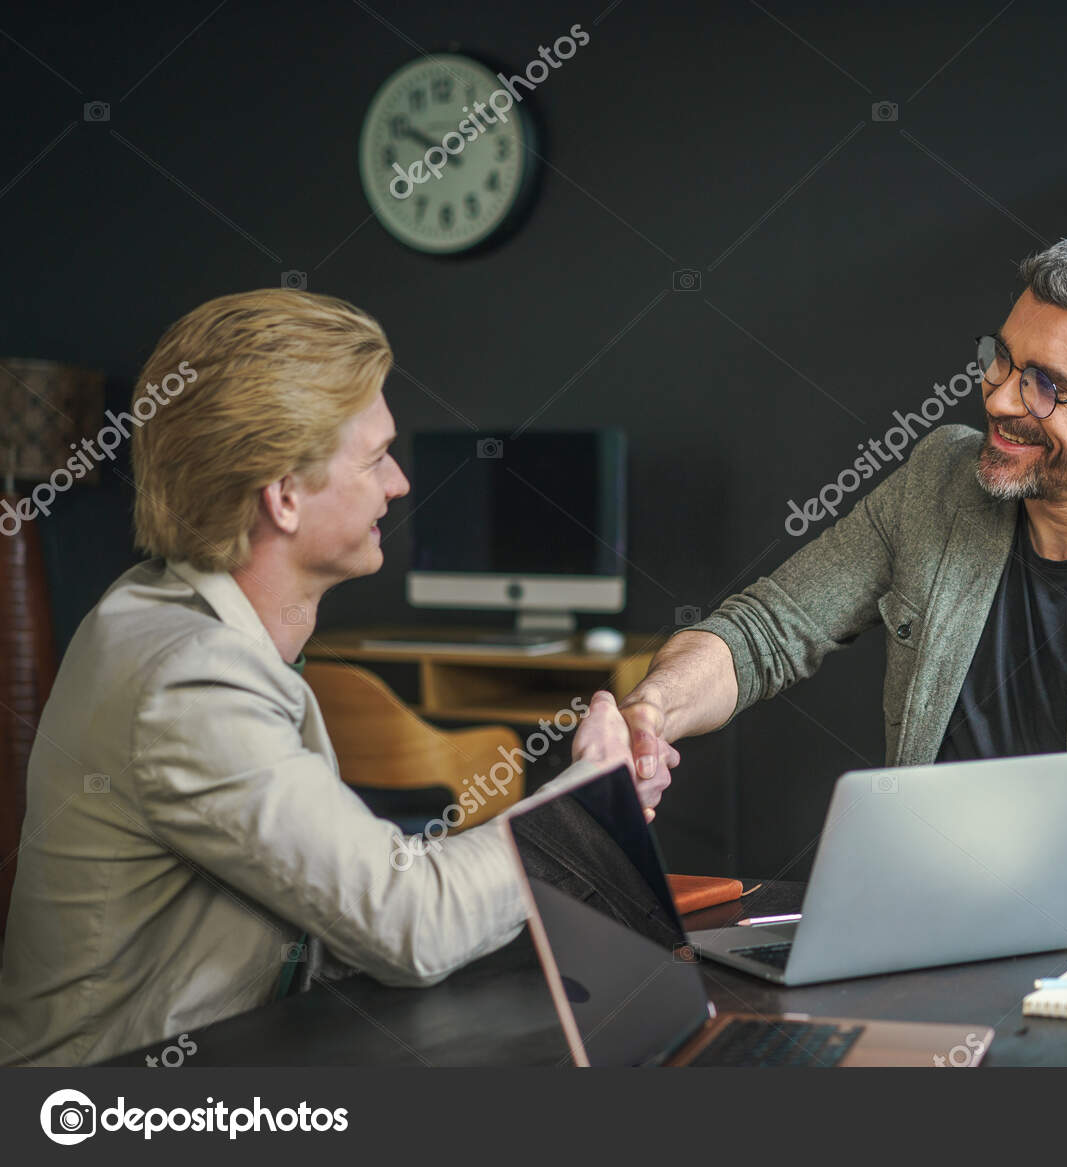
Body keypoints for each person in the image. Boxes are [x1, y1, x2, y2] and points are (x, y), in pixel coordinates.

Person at [582, 224, 1067, 916]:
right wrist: (652, 712)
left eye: (1047, 384)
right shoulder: (939, 479)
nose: (999, 396)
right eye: (1001, 357)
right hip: (920, 933)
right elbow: (764, 631)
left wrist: (978, 858)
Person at [0, 290, 648, 1066]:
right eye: (376, 457)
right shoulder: (186, 679)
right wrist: (588, 808)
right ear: (283, 494)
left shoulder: (169, 616)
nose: (401, 482)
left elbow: (332, 919)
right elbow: (410, 923)